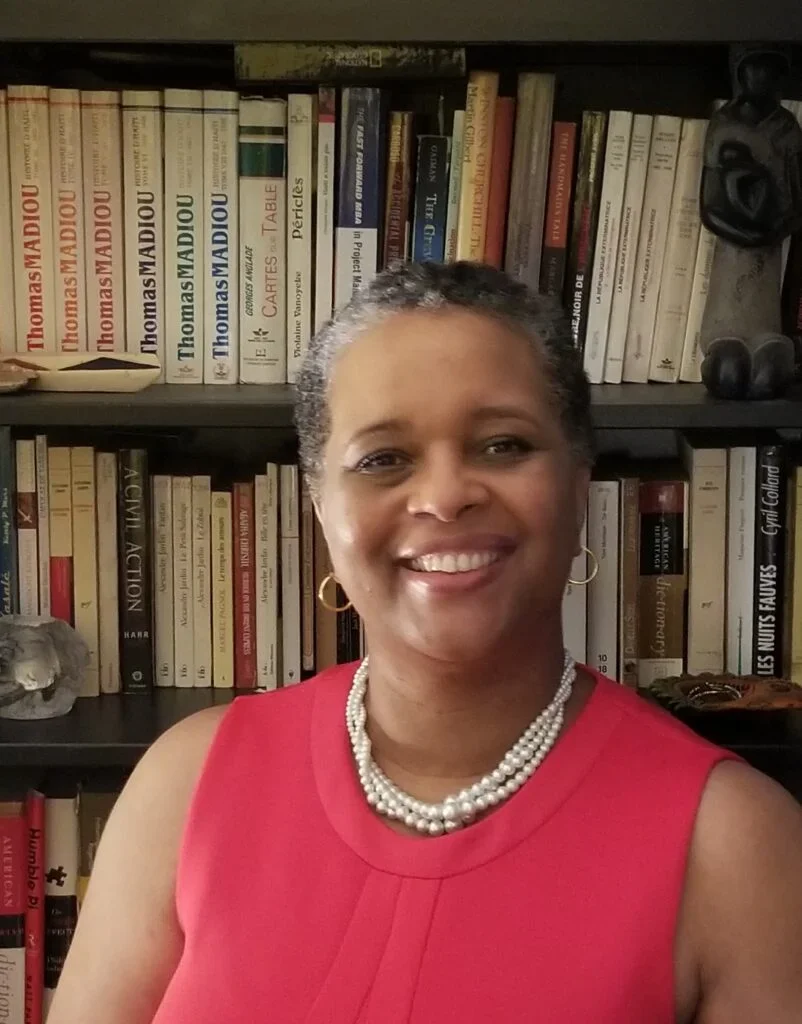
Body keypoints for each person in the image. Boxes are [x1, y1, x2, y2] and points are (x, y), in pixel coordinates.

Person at [48, 262, 802, 1024]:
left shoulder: (735, 846)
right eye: (383, 459)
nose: (445, 496)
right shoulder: (186, 785)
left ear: (580, 485)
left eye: (503, 445)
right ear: (320, 508)